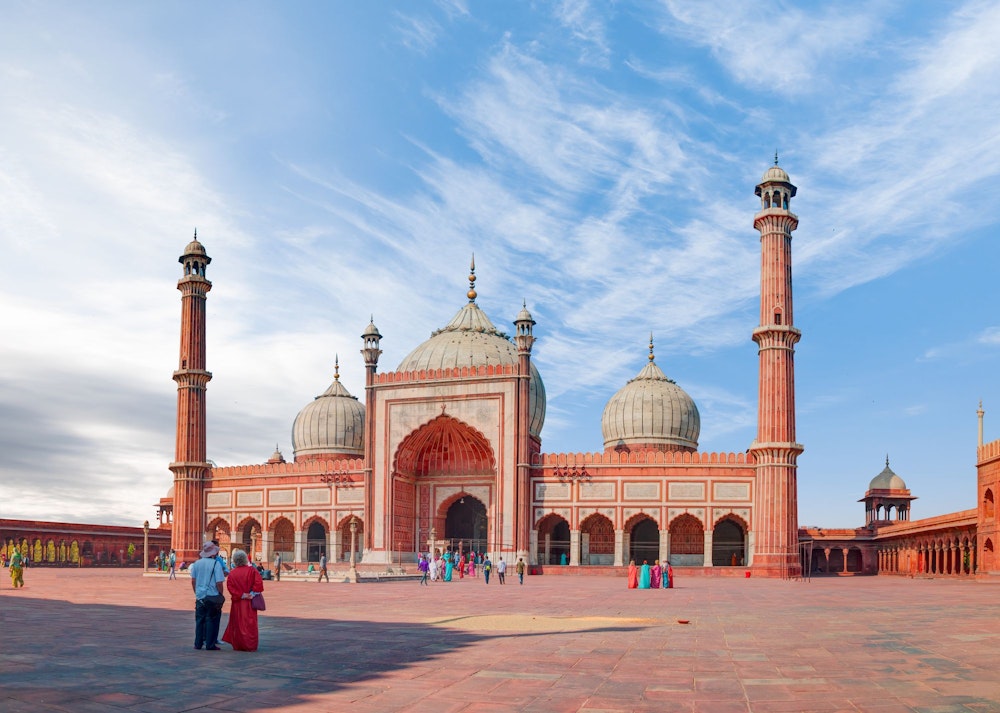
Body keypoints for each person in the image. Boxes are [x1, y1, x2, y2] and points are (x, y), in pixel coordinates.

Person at [222, 548, 264, 652]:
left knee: (237, 623)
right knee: (250, 623)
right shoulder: (252, 570)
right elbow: (259, 583)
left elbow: (230, 587)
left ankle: (238, 644)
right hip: (249, 602)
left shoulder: (232, 573)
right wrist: (251, 594)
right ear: (245, 559)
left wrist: (241, 595)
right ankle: (250, 645)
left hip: (237, 602)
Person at [189, 541, 226, 650]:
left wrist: (197, 592)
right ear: (213, 553)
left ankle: (198, 643)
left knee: (199, 620)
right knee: (211, 619)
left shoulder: (197, 563)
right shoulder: (216, 564)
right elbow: (219, 582)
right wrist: (220, 594)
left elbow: (193, 581)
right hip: (212, 596)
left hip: (200, 597)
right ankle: (210, 644)